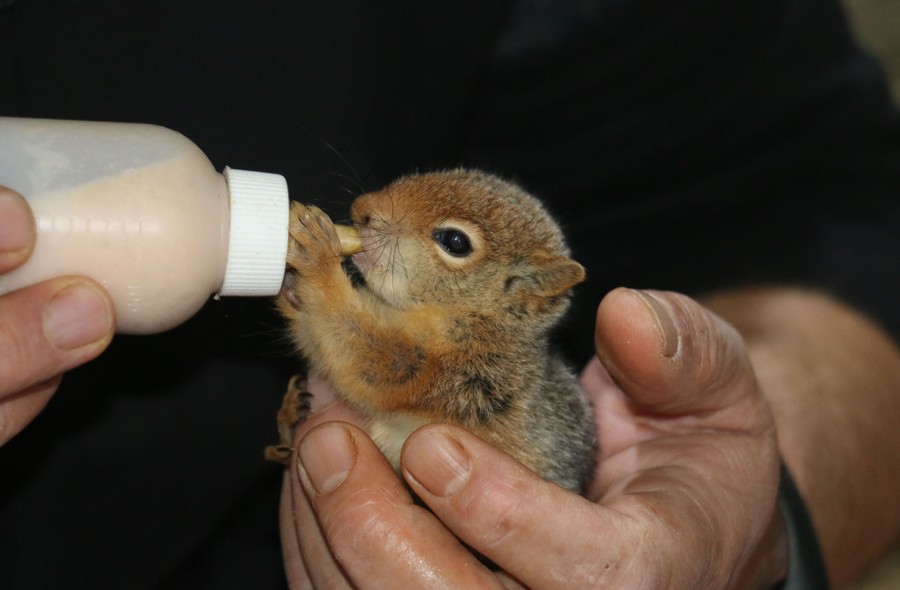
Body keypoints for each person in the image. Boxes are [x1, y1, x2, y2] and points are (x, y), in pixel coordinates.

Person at [2, 0, 899, 588]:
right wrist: (316, 288)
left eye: (451, 245)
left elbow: (819, 196)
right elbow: (360, 354)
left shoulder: (469, 351)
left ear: (513, 294)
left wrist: (750, 537)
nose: (366, 212)